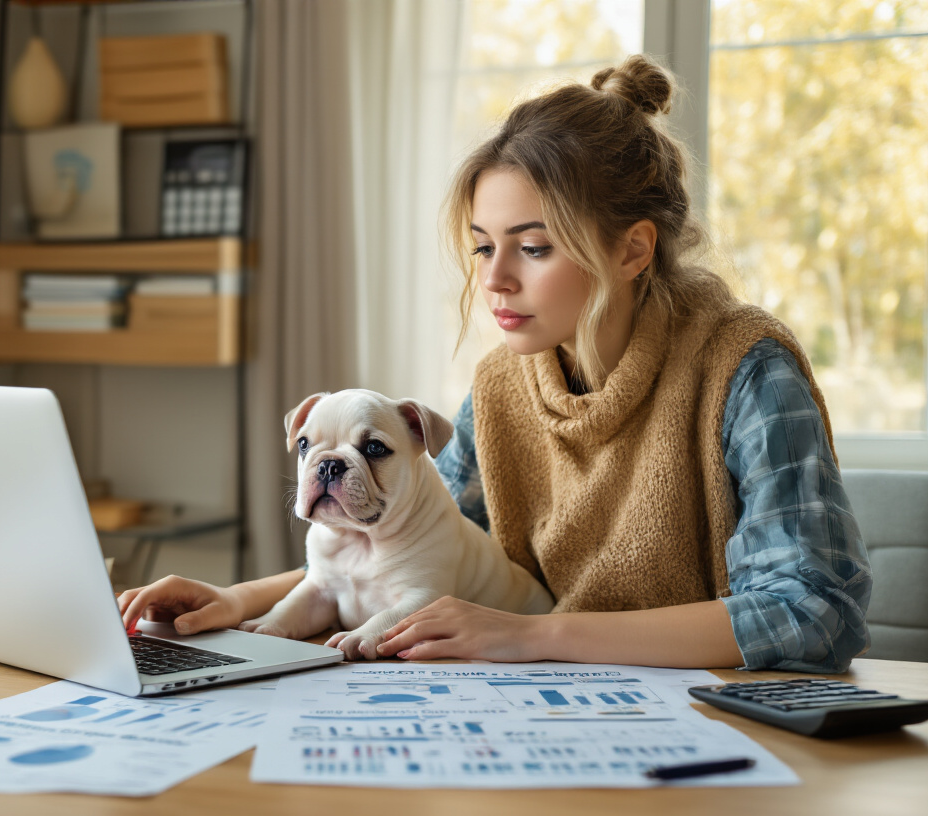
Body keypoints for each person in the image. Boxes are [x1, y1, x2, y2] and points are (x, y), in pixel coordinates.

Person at [119, 54, 871, 673]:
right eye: (484, 246)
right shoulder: (505, 386)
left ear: (633, 249)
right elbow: (417, 541)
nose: (494, 278)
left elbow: (813, 611)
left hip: (724, 737)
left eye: (533, 248)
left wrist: (532, 636)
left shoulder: (746, 368)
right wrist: (239, 601)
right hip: (546, 712)